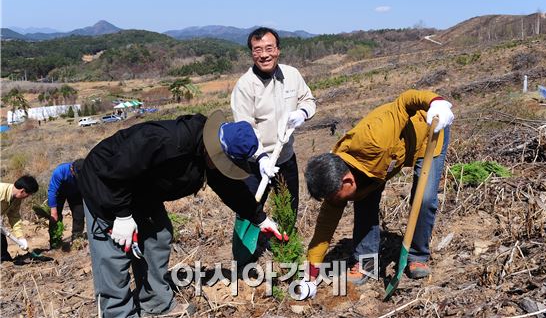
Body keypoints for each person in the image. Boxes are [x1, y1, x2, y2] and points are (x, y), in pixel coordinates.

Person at [78, 110, 266, 318]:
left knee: (158, 238)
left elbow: (229, 187)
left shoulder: (206, 152)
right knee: (113, 256)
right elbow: (116, 171)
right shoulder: (163, 141)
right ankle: (117, 313)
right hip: (106, 187)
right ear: (214, 150)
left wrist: (258, 217)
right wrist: (121, 214)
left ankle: (156, 304)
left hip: (142, 192)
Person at [303, 89, 454, 291]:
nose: (334, 202)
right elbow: (324, 228)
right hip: (386, 162)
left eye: (335, 198)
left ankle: (418, 256)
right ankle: (366, 263)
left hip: (429, 131)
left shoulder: (376, 136)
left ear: (347, 181)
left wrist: (436, 102)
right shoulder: (335, 179)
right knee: (364, 198)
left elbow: (405, 101)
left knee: (424, 198)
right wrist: (311, 273)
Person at [231, 27, 316, 238]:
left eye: (269, 48)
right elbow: (244, 130)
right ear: (252, 54)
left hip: (285, 158)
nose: (264, 54)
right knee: (249, 210)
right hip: (254, 164)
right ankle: (244, 256)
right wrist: (260, 158)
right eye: (257, 50)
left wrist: (303, 113)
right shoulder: (245, 86)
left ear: (278, 50)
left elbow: (308, 99)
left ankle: (284, 244)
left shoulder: (292, 75)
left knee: (288, 208)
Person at [1, 175, 39, 262]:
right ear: (22, 191)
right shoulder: (1, 191)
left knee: (2, 243)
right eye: (28, 195)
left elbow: (14, 217)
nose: (27, 197)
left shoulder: (16, 199)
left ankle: (4, 261)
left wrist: (20, 238)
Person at [47, 159, 85, 244]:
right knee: (55, 217)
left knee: (79, 214)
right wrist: (53, 212)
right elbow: (52, 191)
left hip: (76, 192)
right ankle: (55, 241)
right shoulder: (60, 171)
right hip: (60, 192)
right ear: (71, 168)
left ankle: (77, 238)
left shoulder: (86, 171)